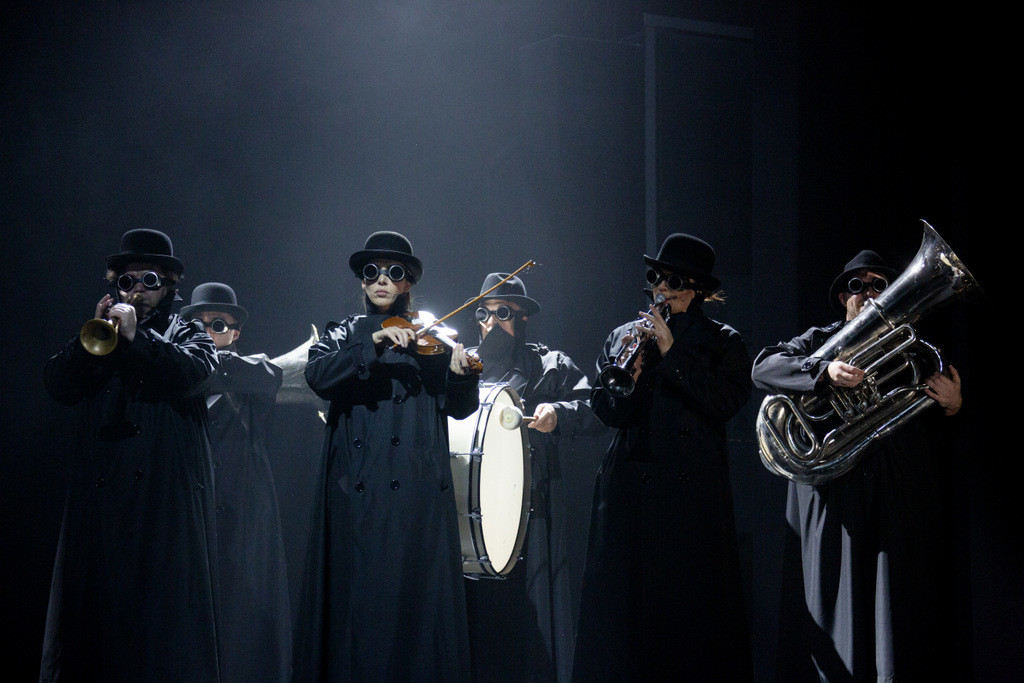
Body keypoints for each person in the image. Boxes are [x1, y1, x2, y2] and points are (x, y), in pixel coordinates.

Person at [751, 249, 965, 681]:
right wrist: (824, 370)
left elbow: (940, 432)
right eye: (857, 286)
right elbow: (763, 368)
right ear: (842, 298)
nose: (867, 293)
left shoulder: (915, 349)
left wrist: (954, 405)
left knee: (894, 616)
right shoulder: (820, 341)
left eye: (878, 285)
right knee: (840, 610)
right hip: (837, 496)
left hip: (897, 495)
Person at [293, 231, 480, 681]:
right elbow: (317, 376)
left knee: (413, 613)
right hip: (356, 489)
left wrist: (460, 377)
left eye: (394, 272)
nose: (381, 280)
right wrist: (374, 342)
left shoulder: (431, 338)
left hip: (416, 492)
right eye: (372, 272)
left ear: (408, 282)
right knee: (359, 611)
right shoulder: (343, 332)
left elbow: (459, 408)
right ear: (361, 281)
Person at [41, 229, 220, 681]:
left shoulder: (188, 331)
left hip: (161, 502)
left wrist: (138, 339)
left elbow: (192, 375)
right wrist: (86, 343)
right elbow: (58, 385)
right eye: (127, 281)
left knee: (158, 628)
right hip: (102, 504)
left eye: (149, 280)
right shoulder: (101, 334)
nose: (137, 290)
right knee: (96, 628)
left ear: (169, 285)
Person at [572, 233, 753, 681]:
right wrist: (628, 381)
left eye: (674, 281)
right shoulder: (623, 336)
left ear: (699, 289)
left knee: (685, 623)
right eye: (656, 277)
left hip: (689, 497)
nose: (661, 289)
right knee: (620, 623)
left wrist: (672, 353)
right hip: (628, 492)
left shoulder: (722, 341)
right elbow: (606, 412)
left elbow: (725, 402)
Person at [463, 273, 603, 682]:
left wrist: (559, 413)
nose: (492, 322)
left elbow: (596, 408)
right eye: (484, 314)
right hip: (469, 507)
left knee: (528, 625)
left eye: (503, 313)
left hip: (529, 509)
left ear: (522, 318)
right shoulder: (462, 366)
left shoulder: (548, 365)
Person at [181, 282, 292, 683]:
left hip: (244, 522)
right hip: (191, 519)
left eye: (219, 325)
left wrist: (203, 359)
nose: (210, 332)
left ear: (235, 333)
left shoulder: (251, 371)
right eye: (200, 326)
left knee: (242, 626)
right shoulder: (174, 376)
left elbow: (269, 374)